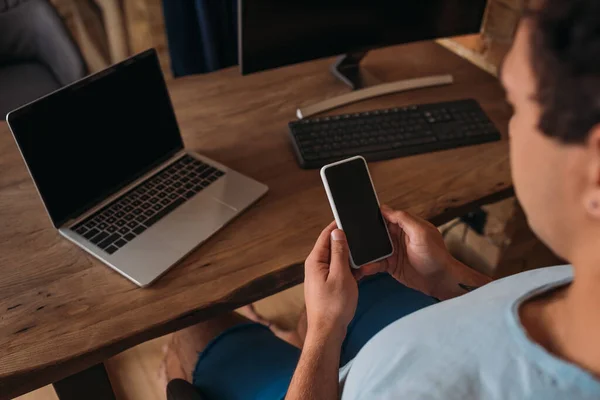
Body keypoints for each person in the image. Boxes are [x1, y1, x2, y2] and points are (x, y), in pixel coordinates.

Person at [159, 0, 600, 398]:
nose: (513, 130)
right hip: (421, 324)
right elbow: (523, 305)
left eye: (518, 108)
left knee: (195, 330)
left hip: (350, 374)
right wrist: (445, 279)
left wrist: (325, 335)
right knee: (362, 284)